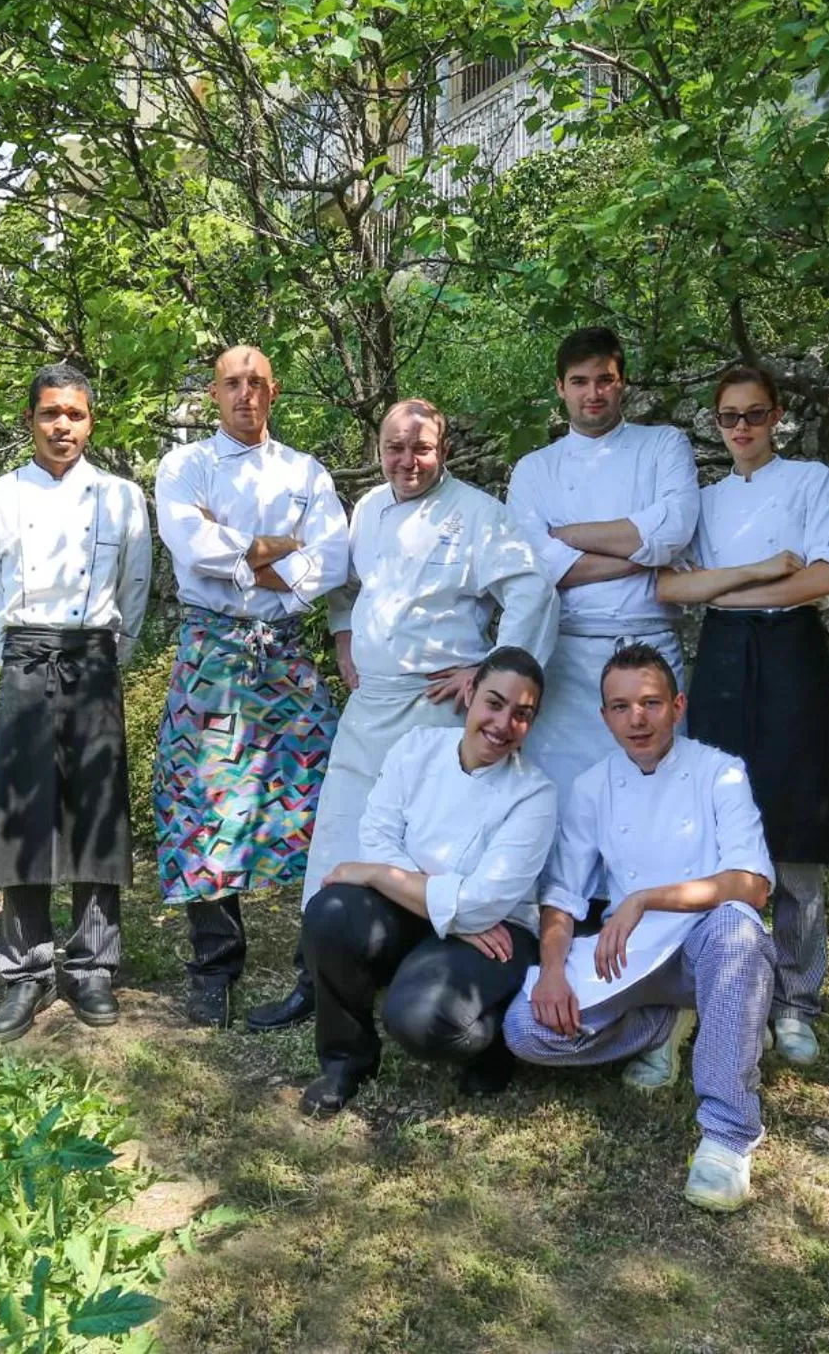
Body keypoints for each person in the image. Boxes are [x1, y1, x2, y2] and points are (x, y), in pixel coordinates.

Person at [245, 398, 558, 1032]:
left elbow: (532, 589)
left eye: (422, 448)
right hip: (371, 703)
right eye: (395, 447)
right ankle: (317, 977)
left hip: (434, 706)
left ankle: (418, 970)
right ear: (379, 448)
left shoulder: (478, 514)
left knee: (425, 848)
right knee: (338, 835)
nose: (407, 460)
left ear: (444, 450)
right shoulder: (367, 508)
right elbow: (346, 581)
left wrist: (489, 671)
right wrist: (343, 634)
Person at [503, 643, 778, 1213]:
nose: (637, 719)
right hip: (631, 955)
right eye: (621, 706)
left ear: (677, 706)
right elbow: (562, 896)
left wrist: (645, 898)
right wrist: (551, 970)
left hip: (706, 947)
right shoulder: (592, 787)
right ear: (604, 717)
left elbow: (752, 885)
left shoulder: (721, 772)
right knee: (525, 1029)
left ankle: (727, 1136)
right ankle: (662, 1027)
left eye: (651, 703)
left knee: (739, 929)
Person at [657, 365, 829, 1067]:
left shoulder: (810, 482)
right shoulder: (706, 502)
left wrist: (724, 594)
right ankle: (730, 986)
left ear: (777, 417)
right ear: (716, 424)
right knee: (719, 823)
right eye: (729, 417)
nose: (741, 427)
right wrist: (764, 573)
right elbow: (670, 586)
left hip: (793, 653)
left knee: (797, 824)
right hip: (722, 661)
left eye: (755, 414)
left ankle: (797, 1000)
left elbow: (827, 576)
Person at [153, 345, 351, 1028]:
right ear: (215, 393)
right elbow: (192, 547)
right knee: (200, 802)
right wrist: (286, 547)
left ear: (275, 391)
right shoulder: (185, 466)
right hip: (211, 651)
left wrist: (240, 553)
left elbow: (334, 559)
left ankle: (315, 965)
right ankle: (215, 965)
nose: (245, 394)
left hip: (285, 653)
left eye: (257, 383)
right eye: (232, 383)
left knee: (325, 792)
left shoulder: (305, 471)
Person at [0, 363, 153, 1041]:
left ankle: (93, 966)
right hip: (25, 657)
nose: (62, 426)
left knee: (96, 813)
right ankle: (26, 971)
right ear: (31, 420)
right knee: (22, 816)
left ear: (91, 422)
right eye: (50, 413)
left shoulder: (123, 498)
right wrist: (13, 654)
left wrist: (108, 656)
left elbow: (135, 585)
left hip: (94, 657)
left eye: (74, 413)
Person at [299, 647, 556, 1117]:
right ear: (470, 692)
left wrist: (378, 875)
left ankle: (493, 1040)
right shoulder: (417, 748)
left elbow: (483, 903)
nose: (503, 724)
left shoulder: (534, 795)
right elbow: (377, 836)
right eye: (494, 703)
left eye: (522, 715)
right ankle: (346, 1059)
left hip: (499, 934)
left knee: (420, 1021)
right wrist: (449, 911)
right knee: (330, 913)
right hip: (431, 914)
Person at [505, 327, 698, 807]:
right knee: (565, 798)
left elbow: (673, 532)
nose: (593, 393)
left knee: (659, 795)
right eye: (579, 381)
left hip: (649, 645)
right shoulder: (535, 469)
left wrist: (568, 535)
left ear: (622, 382)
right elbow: (540, 568)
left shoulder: (663, 445)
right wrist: (643, 555)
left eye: (604, 379)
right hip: (567, 659)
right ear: (560, 387)